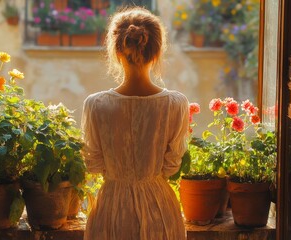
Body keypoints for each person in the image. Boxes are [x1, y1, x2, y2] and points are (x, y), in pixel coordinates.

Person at [81, 6, 189, 240]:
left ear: (116, 51)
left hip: (111, 212)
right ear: (157, 52)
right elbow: (171, 167)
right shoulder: (175, 104)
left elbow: (94, 165)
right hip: (159, 212)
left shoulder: (96, 105)